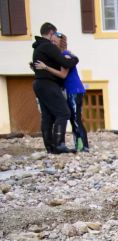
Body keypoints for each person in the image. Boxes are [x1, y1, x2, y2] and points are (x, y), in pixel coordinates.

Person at [31, 22, 79, 154]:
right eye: (55, 34)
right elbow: (65, 62)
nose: (55, 38)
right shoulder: (47, 47)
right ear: (51, 32)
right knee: (63, 112)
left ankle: (50, 147)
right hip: (48, 84)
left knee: (47, 116)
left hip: (39, 84)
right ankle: (59, 145)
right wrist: (75, 59)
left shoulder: (38, 48)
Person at [57, 34, 89, 152]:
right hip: (73, 90)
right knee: (74, 118)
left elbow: (63, 74)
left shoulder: (65, 56)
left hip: (73, 90)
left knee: (75, 118)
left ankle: (83, 145)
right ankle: (80, 144)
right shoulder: (66, 55)